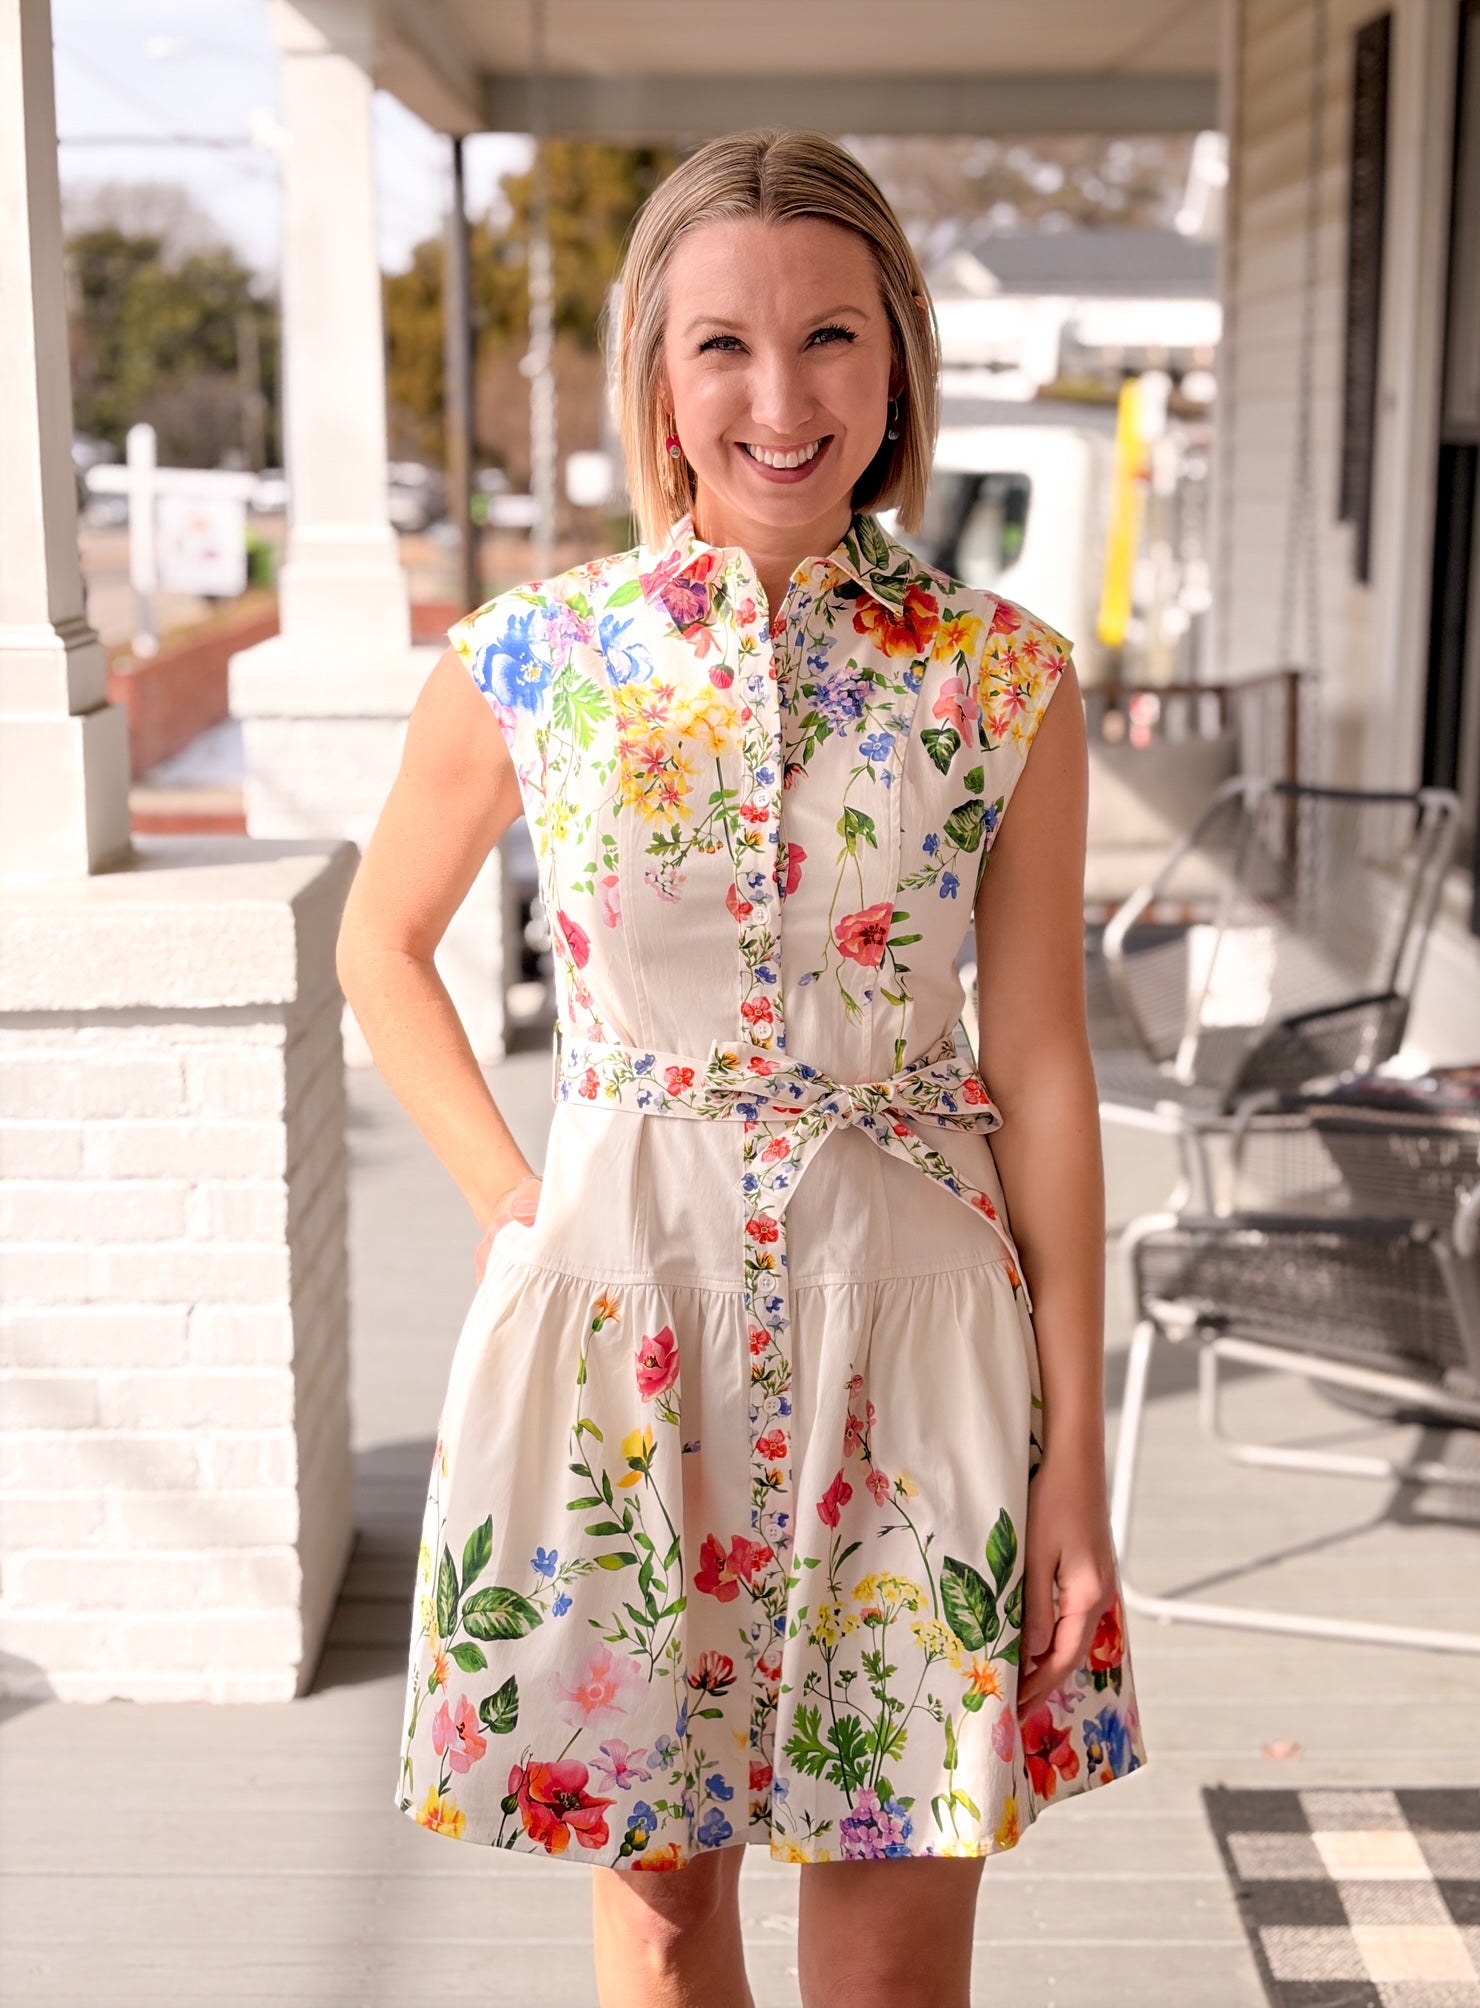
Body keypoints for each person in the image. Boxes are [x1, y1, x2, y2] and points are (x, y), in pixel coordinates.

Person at [337, 128, 1146, 2008]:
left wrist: (1082, 1474)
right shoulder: (537, 659)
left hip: (925, 1330)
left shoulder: (1001, 677)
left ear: (897, 367)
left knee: (886, 1957)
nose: (780, 402)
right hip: (627, 1339)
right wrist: (520, 1201)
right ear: (659, 377)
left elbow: (1040, 1061)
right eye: (724, 347)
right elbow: (380, 945)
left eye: (831, 340)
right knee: (663, 1913)